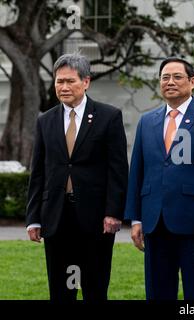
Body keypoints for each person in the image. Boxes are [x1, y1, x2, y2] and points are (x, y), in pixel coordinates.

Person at [124, 57, 194, 300]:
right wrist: (136, 218)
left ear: (192, 82)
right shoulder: (146, 121)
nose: (170, 82)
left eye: (177, 77)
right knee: (158, 291)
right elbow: (137, 172)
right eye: (165, 77)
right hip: (155, 221)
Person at [26, 53, 128, 301]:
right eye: (59, 81)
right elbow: (38, 171)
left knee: (94, 287)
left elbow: (118, 170)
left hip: (95, 220)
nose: (63, 87)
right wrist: (33, 218)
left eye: (70, 81)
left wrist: (114, 212)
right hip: (56, 218)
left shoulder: (109, 117)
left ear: (86, 82)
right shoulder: (45, 120)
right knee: (61, 291)